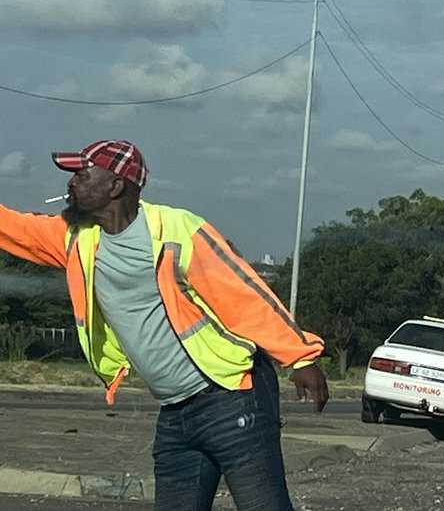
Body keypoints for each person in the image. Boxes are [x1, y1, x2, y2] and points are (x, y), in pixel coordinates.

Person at [0, 139, 329, 511]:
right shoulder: (78, 237)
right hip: (175, 412)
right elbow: (15, 229)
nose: (72, 183)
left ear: (115, 185)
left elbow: (242, 293)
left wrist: (300, 357)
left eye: (82, 174)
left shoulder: (176, 231)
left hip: (231, 396)